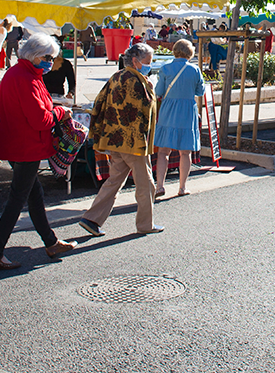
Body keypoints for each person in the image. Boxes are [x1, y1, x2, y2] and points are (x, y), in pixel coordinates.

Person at [0, 33, 77, 271]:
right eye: (48, 57)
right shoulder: (26, 78)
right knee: (17, 199)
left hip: (19, 143)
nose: (51, 62)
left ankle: (51, 242)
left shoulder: (21, 73)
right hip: (25, 145)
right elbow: (40, 119)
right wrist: (60, 113)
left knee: (33, 194)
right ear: (36, 56)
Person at [80, 43, 163, 236]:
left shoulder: (116, 76)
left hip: (115, 139)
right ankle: (145, 224)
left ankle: (91, 219)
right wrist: (151, 89)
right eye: (147, 62)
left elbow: (99, 101)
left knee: (114, 181)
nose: (149, 65)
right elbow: (144, 108)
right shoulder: (136, 81)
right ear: (135, 61)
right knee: (146, 185)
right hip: (133, 142)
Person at [153, 39, 207, 198]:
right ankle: (182, 187)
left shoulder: (165, 68)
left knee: (163, 152)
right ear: (190, 53)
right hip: (187, 111)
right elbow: (200, 91)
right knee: (185, 152)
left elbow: (159, 90)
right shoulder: (195, 69)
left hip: (168, 110)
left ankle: (160, 186)